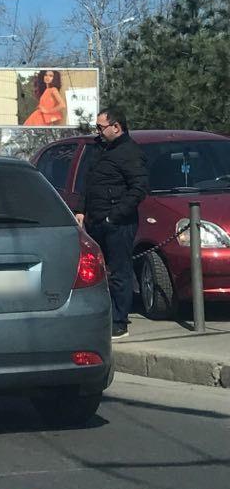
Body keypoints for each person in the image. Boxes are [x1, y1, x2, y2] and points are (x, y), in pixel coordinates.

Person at [74, 107, 148, 339]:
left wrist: (113, 216)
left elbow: (138, 189)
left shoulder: (130, 152)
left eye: (101, 127)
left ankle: (119, 320)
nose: (98, 132)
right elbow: (90, 182)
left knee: (119, 271)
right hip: (95, 220)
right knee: (98, 272)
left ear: (116, 127)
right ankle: (102, 316)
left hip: (118, 223)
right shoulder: (100, 149)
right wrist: (82, 210)